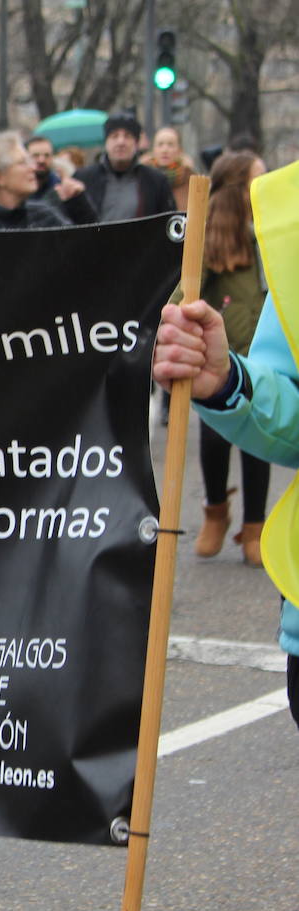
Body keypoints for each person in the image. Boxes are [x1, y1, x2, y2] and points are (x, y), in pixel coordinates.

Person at [151, 156, 299, 730]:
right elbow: (288, 409)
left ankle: (246, 524)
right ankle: (222, 516)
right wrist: (226, 380)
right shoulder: (286, 206)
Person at [176, 151, 270, 564]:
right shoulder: (214, 233)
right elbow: (185, 293)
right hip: (223, 359)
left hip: (262, 354)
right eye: (257, 179)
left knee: (259, 442)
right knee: (215, 438)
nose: (264, 187)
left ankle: (255, 527)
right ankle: (216, 510)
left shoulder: (267, 230)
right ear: (237, 189)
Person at [73, 112, 176, 221]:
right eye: (114, 136)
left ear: (136, 143)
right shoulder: (83, 179)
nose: (121, 142)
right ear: (106, 142)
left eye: (127, 136)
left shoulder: (156, 181)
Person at [25, 134, 97, 225]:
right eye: (35, 155)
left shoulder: (63, 189)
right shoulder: (19, 190)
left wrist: (79, 200)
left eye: (47, 155)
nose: (41, 160)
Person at [141, 126, 196, 213]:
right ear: (153, 150)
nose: (165, 150)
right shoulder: (142, 178)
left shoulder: (191, 180)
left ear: (179, 150)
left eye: (170, 145)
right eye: (160, 144)